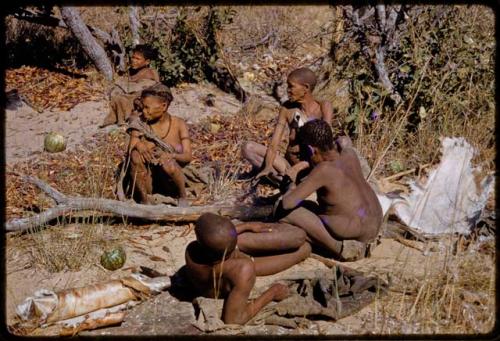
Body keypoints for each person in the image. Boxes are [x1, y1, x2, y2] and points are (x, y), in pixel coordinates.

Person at [274, 119, 382, 261]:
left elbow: (287, 203)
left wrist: (291, 182)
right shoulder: (350, 155)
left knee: (283, 211)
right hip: (374, 234)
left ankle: (327, 246)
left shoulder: (324, 170)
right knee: (310, 206)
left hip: (351, 246)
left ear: (312, 150)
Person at [185, 213, 311, 325]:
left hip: (226, 265)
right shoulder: (242, 270)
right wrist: (271, 294)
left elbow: (220, 237)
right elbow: (233, 320)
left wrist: (247, 226)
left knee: (296, 238)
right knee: (305, 248)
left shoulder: (191, 250)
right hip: (238, 271)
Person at [241, 67, 333, 182]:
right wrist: (268, 166)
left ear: (306, 88)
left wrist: (298, 168)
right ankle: (279, 179)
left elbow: (325, 148)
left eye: (291, 86)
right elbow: (274, 144)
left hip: (311, 171)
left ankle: (295, 185)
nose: (288, 90)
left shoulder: (323, 107)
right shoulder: (287, 108)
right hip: (287, 166)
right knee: (248, 148)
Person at [127, 83, 191, 207]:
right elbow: (132, 146)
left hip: (171, 178)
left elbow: (188, 156)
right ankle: (144, 200)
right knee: (135, 155)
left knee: (168, 162)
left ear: (163, 106)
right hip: (149, 179)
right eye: (143, 107)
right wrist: (139, 145)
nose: (144, 112)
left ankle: (182, 196)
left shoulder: (178, 124)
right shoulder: (140, 122)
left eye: (147, 108)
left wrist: (171, 156)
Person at [100, 44, 160, 128]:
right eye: (133, 57)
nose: (133, 60)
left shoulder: (151, 73)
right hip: (127, 99)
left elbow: (153, 90)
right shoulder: (131, 71)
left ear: (147, 62)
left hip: (139, 102)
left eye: (137, 59)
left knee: (122, 99)